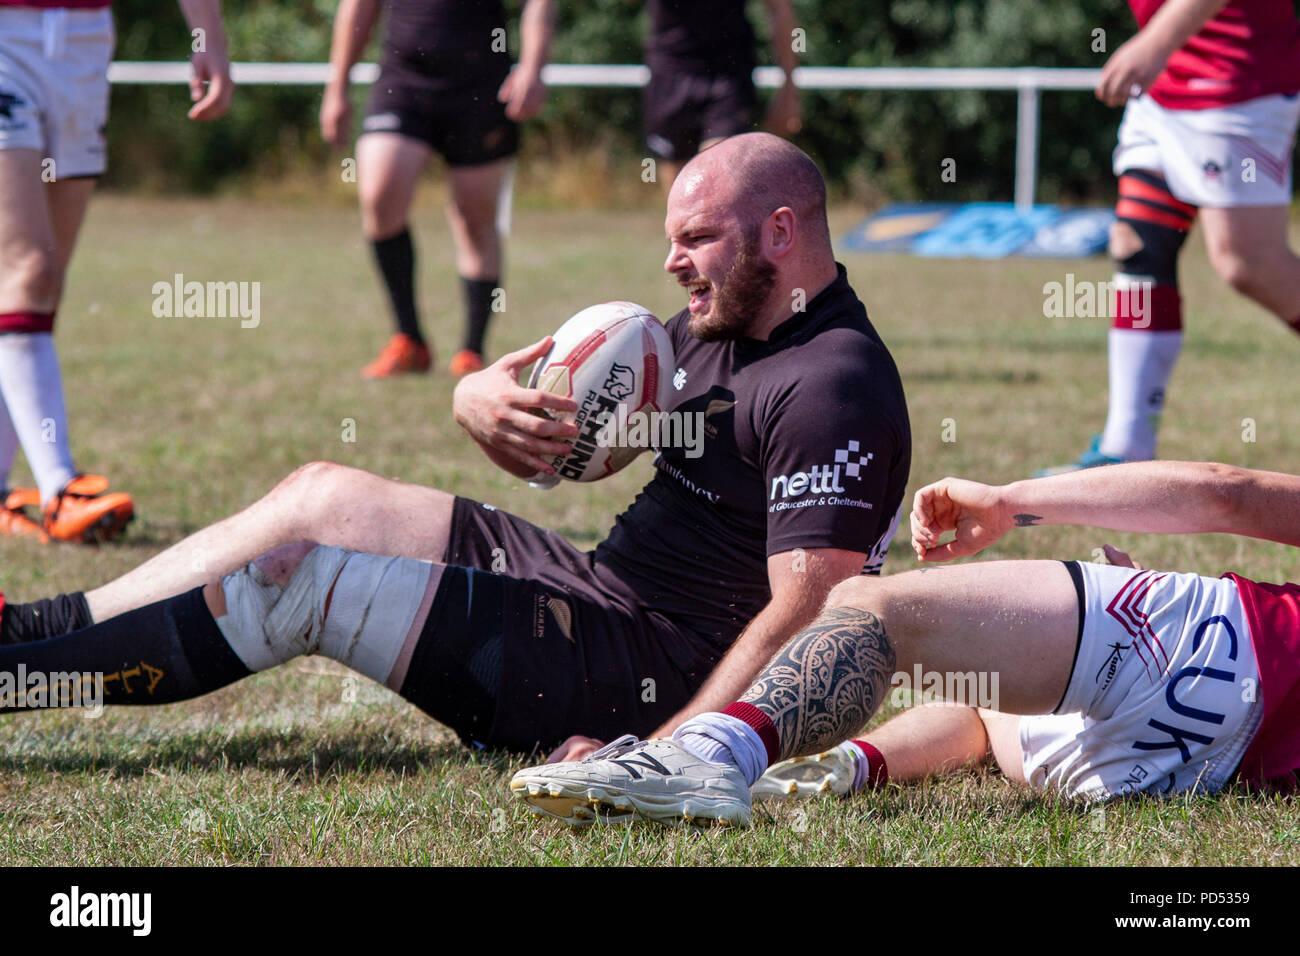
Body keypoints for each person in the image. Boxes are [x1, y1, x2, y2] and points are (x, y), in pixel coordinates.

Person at [0, 134, 912, 759]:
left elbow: (815, 612)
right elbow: (576, 439)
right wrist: (477, 400)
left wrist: (675, 753)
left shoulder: (834, 381)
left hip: (649, 675)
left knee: (299, 580)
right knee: (322, 492)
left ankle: (20, 685)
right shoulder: (723, 319)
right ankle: (27, 634)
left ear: (781, 232)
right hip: (599, 595)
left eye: (697, 239)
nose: (674, 263)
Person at [511, 459, 1300, 827]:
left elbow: (1227, 494)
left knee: (873, 609)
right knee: (982, 707)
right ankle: (831, 771)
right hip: (1188, 768)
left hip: (1215, 643)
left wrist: (1014, 501)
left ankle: (705, 758)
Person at [0, 0, 232, 541]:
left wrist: (208, 39)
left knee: (37, 286)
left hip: (86, 39)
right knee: (28, 270)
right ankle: (61, 488)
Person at [1041, 0, 1300, 474]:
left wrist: (1155, 42)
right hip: (1163, 87)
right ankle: (1126, 446)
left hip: (1236, 78)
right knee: (1139, 243)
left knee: (1246, 264)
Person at [321, 0, 555, 379]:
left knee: (475, 219)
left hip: (480, 85)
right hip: (403, 78)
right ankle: (409, 339)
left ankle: (472, 351)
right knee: (379, 195)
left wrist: (533, 66)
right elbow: (359, 7)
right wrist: (337, 88)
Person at [642, 0, 802, 191]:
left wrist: (789, 91)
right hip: (669, 72)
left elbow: (779, 9)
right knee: (680, 193)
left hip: (729, 75)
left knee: (718, 174)